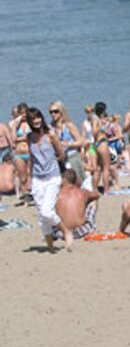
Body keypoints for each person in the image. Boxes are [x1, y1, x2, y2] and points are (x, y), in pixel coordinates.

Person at [27, 107, 65, 253]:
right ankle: (50, 247)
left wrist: (51, 162)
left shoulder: (50, 135)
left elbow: (61, 154)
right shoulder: (29, 137)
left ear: (41, 118)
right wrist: (29, 179)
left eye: (38, 117)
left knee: (47, 212)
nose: (36, 121)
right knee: (41, 215)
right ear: (30, 122)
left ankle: (65, 231)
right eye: (33, 119)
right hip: (37, 179)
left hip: (52, 177)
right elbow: (31, 159)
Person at [54, 169, 100, 250]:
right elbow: (97, 195)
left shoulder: (57, 194)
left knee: (52, 209)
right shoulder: (83, 192)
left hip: (61, 233)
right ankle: (92, 229)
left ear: (63, 180)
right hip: (82, 230)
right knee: (93, 201)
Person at [49, 101, 85, 183]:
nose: (53, 114)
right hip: (59, 159)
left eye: (55, 111)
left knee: (77, 182)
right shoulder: (50, 127)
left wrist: (68, 144)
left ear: (61, 111)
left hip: (71, 157)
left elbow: (80, 141)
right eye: (51, 112)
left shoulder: (69, 125)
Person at [10, 103, 31, 199]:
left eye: (25, 113)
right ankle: (25, 195)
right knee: (22, 177)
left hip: (29, 151)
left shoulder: (30, 123)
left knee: (31, 174)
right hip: (19, 154)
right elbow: (13, 138)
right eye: (21, 113)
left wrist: (20, 138)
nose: (23, 115)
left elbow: (30, 137)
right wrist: (15, 126)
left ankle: (32, 194)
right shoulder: (14, 124)